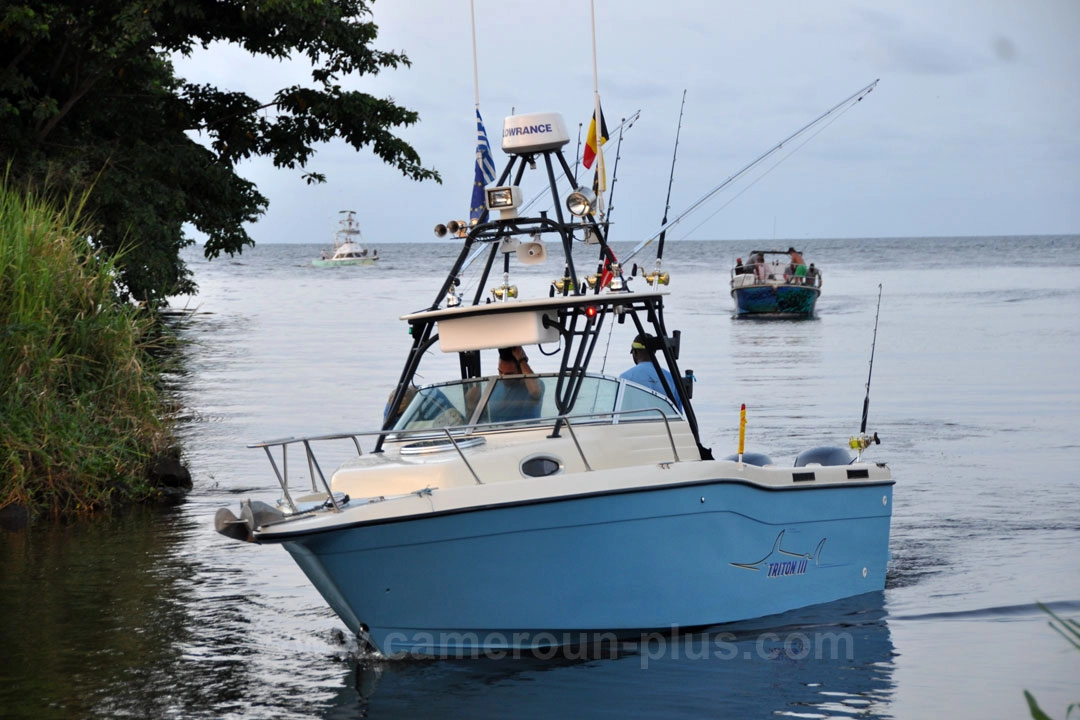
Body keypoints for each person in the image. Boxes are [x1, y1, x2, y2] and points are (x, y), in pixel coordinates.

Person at [619, 334, 683, 412]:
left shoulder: (625, 378)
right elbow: (679, 412)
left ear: (635, 352)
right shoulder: (671, 378)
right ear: (654, 351)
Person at [486, 346, 544, 421]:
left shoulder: (533, 385)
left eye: (509, 374)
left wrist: (522, 360)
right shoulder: (493, 386)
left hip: (526, 430)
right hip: (498, 430)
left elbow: (535, 392)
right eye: (500, 372)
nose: (503, 377)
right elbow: (485, 416)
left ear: (520, 371)